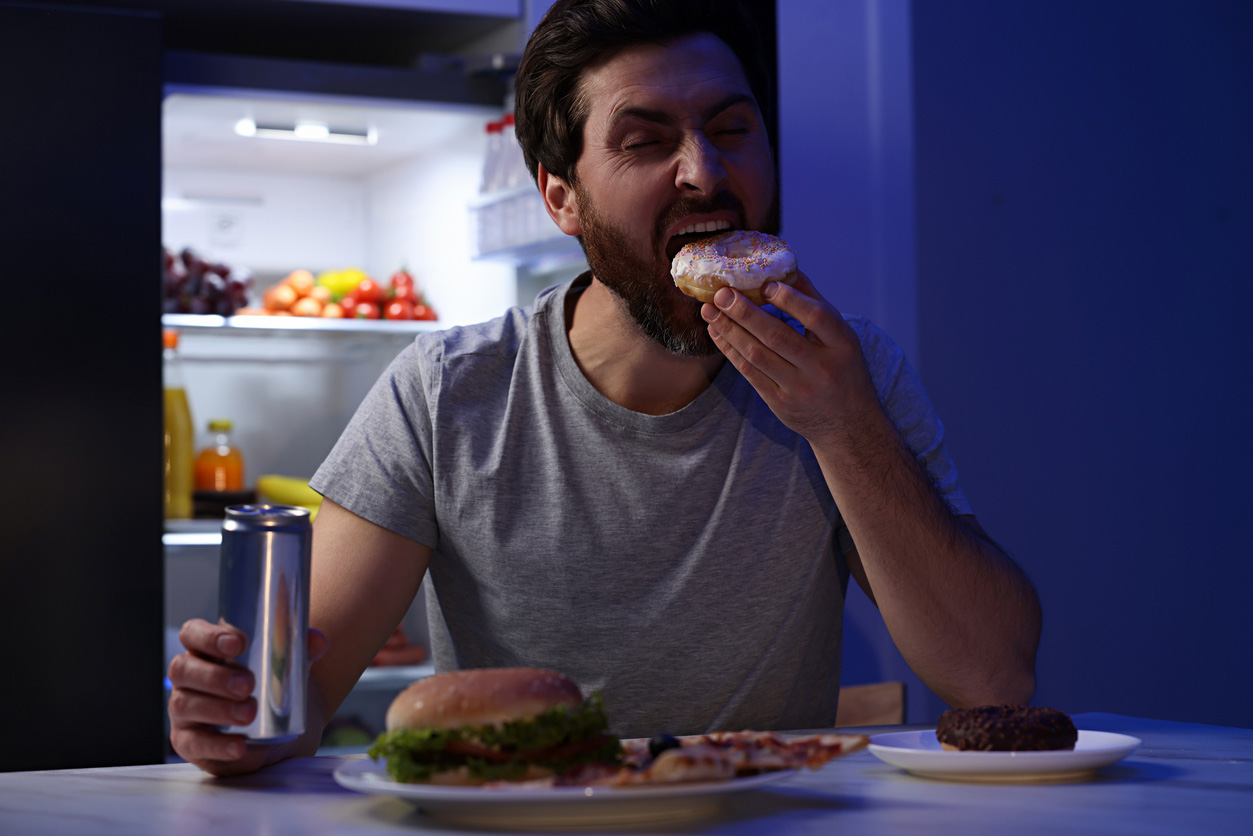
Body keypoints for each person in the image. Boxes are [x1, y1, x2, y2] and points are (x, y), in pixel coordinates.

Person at [167, 0, 1041, 777]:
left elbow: (992, 675)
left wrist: (843, 426)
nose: (703, 172)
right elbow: (291, 701)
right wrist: (232, 712)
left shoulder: (850, 375)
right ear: (562, 199)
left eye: (731, 129)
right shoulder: (447, 394)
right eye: (646, 140)